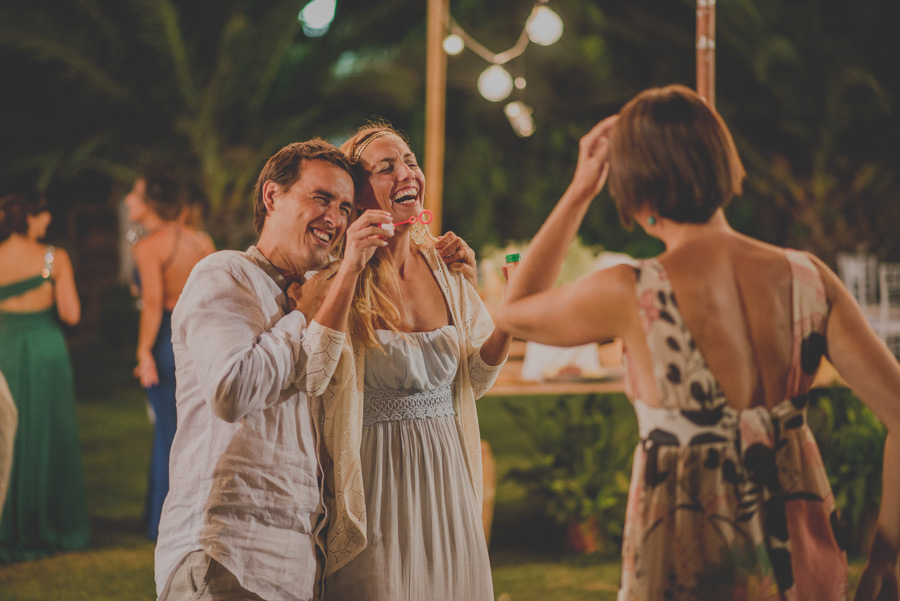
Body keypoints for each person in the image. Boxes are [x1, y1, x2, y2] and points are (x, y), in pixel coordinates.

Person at [498, 84, 900, 601]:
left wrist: (580, 189)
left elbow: (514, 310)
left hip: (689, 563)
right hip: (802, 562)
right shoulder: (808, 279)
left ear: (635, 186)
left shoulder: (631, 290)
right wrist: (887, 555)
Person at [154, 138, 389, 601]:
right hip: (225, 553)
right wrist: (302, 317)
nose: (335, 219)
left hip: (295, 563)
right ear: (271, 196)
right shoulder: (225, 274)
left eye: (344, 207)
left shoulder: (319, 299)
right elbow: (231, 390)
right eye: (320, 198)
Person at [308, 123, 511, 601]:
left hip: (447, 476)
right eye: (386, 167)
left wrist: (509, 319)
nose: (407, 174)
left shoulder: (445, 264)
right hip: (376, 479)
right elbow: (315, 373)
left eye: (410, 161)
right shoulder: (340, 276)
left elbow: (475, 379)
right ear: (356, 196)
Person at [124, 172, 216, 541]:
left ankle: (165, 521)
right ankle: (195, 514)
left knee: (169, 431)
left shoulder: (148, 247)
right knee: (194, 428)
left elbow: (151, 305)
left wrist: (144, 351)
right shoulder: (200, 241)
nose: (130, 198)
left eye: (135, 192)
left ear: (149, 203)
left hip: (165, 338)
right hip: (199, 337)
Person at [0, 192, 90, 563]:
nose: (49, 219)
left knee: (7, 434)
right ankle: (51, 522)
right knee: (50, 431)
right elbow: (71, 314)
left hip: (5, 350)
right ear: (31, 219)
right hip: (45, 351)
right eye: (44, 214)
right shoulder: (54, 257)